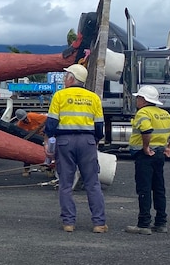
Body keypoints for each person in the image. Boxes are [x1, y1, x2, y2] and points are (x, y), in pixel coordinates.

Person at [44, 64, 107, 233]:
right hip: (87, 141)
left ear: (71, 79)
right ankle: (99, 223)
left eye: (66, 77)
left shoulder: (59, 96)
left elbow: (51, 124)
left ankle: (69, 223)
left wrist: (48, 143)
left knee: (65, 184)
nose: (64, 79)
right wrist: (94, 140)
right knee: (92, 183)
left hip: (65, 141)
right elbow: (100, 127)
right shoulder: (93, 98)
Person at [125, 85, 170, 235]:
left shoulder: (143, 113)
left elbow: (146, 130)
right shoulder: (164, 113)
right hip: (160, 154)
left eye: (138, 97)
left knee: (144, 189)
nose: (136, 100)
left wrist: (145, 147)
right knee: (159, 188)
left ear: (143, 99)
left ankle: (143, 224)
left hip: (145, 155)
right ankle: (161, 223)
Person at [14, 109, 47, 177]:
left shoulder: (33, 116)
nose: (25, 120)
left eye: (25, 118)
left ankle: (48, 168)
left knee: (46, 151)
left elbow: (48, 121)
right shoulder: (20, 125)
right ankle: (26, 169)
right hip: (31, 138)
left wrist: (43, 131)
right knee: (27, 152)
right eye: (23, 119)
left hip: (41, 136)